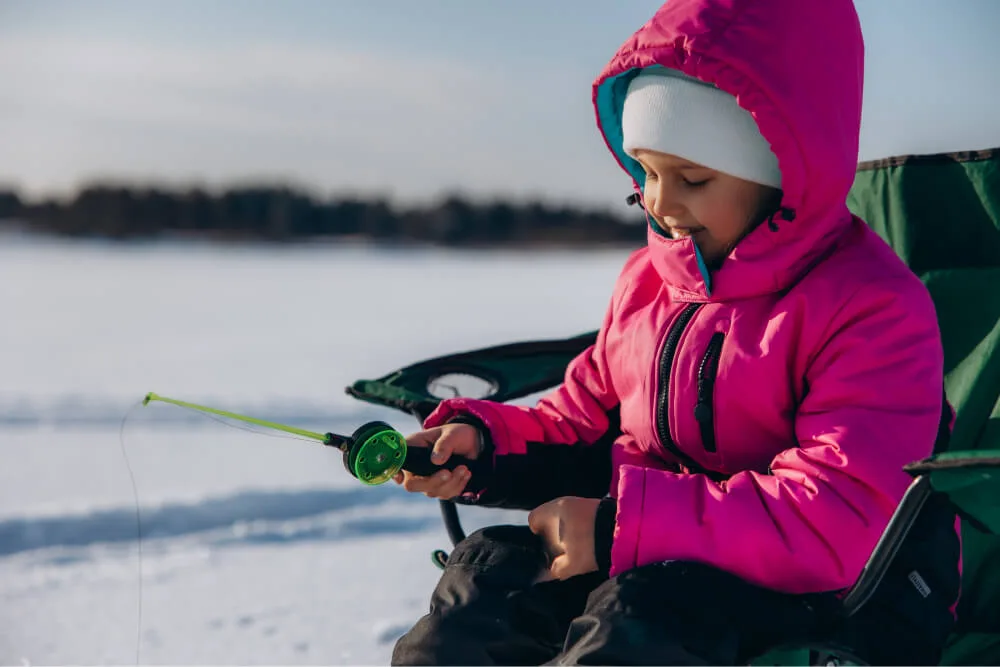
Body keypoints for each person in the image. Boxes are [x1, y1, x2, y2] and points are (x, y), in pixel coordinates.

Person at [390, 0, 961, 664]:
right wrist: (484, 446)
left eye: (693, 177)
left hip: (842, 596)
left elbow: (831, 517)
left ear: (784, 172)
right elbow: (581, 421)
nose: (660, 202)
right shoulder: (649, 284)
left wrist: (618, 528)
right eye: (647, 174)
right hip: (651, 562)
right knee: (485, 583)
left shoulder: (870, 307)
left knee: (636, 620)